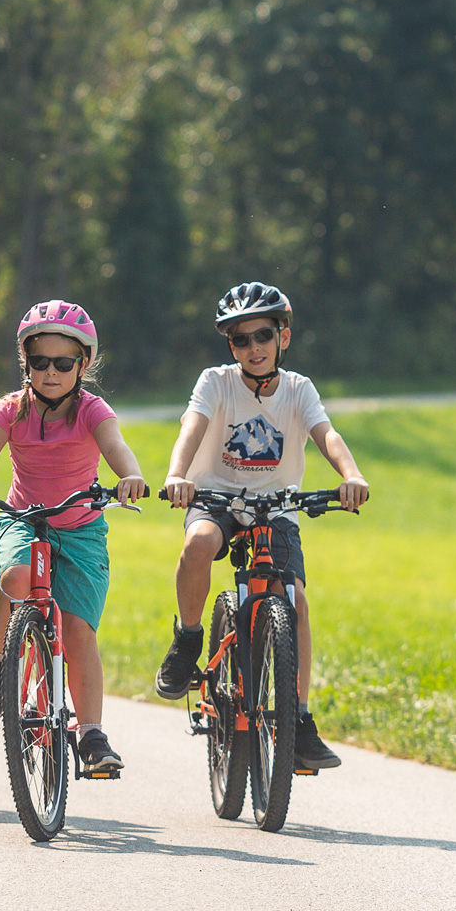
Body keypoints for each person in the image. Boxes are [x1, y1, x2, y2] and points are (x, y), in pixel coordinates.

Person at [152, 282, 370, 772]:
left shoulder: (299, 390)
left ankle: (298, 721)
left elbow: (326, 434)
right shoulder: (216, 382)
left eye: (263, 336)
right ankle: (189, 638)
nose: (253, 347)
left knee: (295, 602)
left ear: (283, 338)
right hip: (215, 496)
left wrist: (350, 475)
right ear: (230, 347)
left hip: (278, 506)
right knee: (200, 541)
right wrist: (176, 476)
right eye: (240, 339)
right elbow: (192, 427)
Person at [0, 301, 148, 774]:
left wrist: (129, 476)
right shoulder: (11, 409)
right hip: (23, 519)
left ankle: (91, 733)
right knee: (14, 577)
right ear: (25, 362)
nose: (51, 372)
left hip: (81, 528)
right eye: (39, 362)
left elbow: (117, 447)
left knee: (77, 630)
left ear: (83, 365)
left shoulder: (92, 410)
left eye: (64, 363)